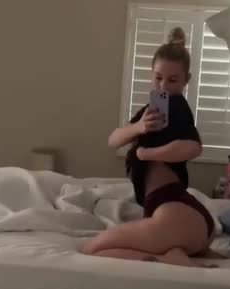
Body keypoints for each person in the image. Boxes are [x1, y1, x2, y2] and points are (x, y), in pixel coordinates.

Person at [82, 28, 216, 267]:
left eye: (172, 80)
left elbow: (193, 147)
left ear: (186, 81)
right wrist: (139, 127)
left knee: (93, 248)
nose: (163, 87)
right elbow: (114, 140)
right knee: (99, 248)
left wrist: (147, 153)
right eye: (158, 78)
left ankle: (167, 258)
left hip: (175, 212)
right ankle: (182, 250)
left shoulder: (177, 106)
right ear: (151, 75)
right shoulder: (151, 111)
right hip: (181, 214)